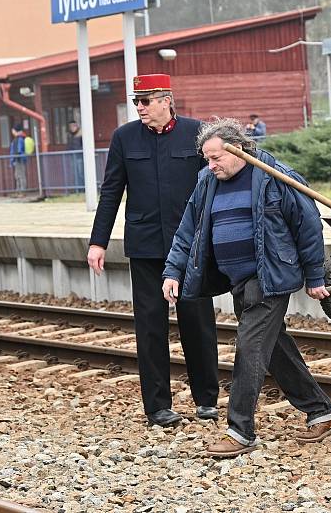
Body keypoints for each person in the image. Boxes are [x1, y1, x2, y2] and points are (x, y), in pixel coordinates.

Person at [162, 118, 331, 458]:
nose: (211, 165)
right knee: (272, 347)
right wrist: (173, 271)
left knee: (250, 345)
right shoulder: (207, 182)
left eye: (216, 158)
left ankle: (240, 430)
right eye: (207, 159)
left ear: (239, 149)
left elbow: (307, 225)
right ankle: (322, 411)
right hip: (238, 280)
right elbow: (189, 230)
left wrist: (315, 275)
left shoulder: (275, 176)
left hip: (271, 276)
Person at [88, 74, 220, 428]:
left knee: (198, 324)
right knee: (150, 327)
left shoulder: (198, 134)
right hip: (146, 248)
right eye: (137, 102)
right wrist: (98, 241)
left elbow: (214, 186)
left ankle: (206, 399)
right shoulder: (124, 138)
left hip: (190, 248)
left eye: (146, 101)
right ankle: (158, 406)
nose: (140, 108)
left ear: (167, 100)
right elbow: (111, 191)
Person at [9, 125, 27, 194]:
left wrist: (12, 160)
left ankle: (22, 191)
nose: (12, 132)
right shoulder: (19, 139)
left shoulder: (19, 139)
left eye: (13, 130)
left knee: (20, 175)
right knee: (17, 175)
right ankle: (19, 190)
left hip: (19, 159)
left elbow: (18, 150)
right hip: (17, 159)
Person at [66, 120, 83, 191]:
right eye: (70, 126)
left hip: (79, 156)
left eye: (73, 126)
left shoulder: (81, 134)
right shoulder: (69, 135)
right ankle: (77, 188)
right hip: (72, 156)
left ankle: (82, 188)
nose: (72, 128)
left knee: (80, 172)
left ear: (76, 126)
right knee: (75, 173)